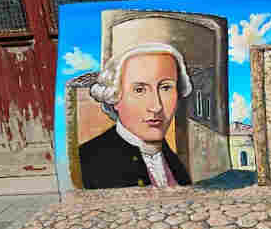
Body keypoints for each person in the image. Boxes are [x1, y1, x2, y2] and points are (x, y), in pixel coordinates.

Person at [77, 43, 192, 189]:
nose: (156, 106)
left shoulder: (172, 159)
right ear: (114, 97)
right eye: (139, 90)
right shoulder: (86, 161)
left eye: (165, 87)